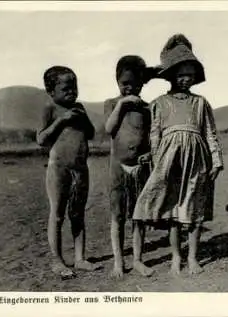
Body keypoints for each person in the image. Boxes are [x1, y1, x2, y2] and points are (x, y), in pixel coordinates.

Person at [133, 34, 224, 275]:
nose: (186, 79)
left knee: (193, 211)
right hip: (168, 160)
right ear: (171, 75)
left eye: (190, 75)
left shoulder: (201, 103)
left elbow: (210, 133)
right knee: (173, 211)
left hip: (197, 160)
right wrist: (155, 161)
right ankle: (176, 256)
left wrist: (216, 160)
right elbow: (154, 135)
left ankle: (193, 257)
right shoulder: (160, 103)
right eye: (181, 74)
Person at [37, 66, 101, 279]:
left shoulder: (79, 108)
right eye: (66, 88)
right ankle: (57, 261)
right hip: (58, 169)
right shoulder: (50, 108)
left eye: (74, 87)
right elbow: (41, 139)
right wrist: (62, 120)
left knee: (78, 213)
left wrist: (82, 119)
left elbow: (91, 134)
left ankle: (80, 258)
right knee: (57, 214)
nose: (72, 92)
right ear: (51, 91)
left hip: (81, 169)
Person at [104, 56, 156, 278]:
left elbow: (152, 137)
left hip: (140, 168)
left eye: (135, 83)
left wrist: (149, 154)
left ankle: (137, 260)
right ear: (117, 81)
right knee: (117, 216)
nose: (130, 87)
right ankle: (118, 261)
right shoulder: (111, 104)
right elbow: (109, 128)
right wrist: (122, 104)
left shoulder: (147, 108)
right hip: (118, 168)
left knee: (139, 216)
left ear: (142, 83)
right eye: (124, 83)